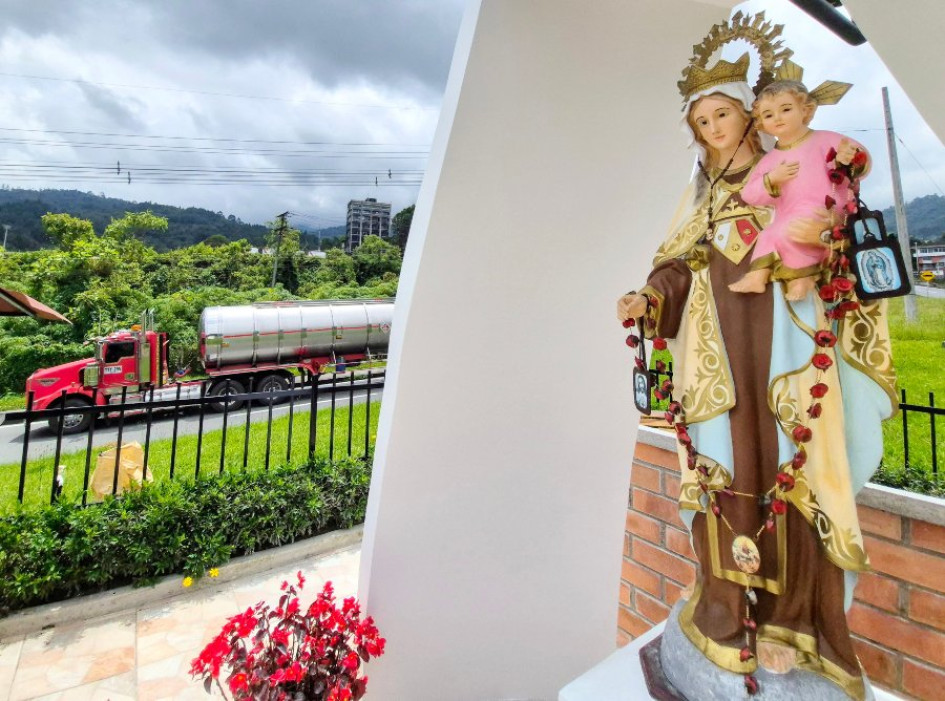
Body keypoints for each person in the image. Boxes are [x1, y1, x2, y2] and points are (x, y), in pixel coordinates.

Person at [615, 14, 896, 700]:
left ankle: (791, 623)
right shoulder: (701, 197)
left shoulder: (802, 170)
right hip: (717, 367)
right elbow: (676, 266)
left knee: (792, 471)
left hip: (788, 349)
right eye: (701, 121)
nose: (713, 129)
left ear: (752, 115)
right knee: (723, 471)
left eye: (724, 114)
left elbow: (851, 242)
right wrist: (648, 299)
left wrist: (825, 239)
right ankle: (721, 614)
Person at [729, 80, 869, 300]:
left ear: (806, 110)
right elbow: (748, 194)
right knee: (769, 235)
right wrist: (772, 179)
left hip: (824, 210)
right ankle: (757, 277)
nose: (777, 118)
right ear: (762, 124)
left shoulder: (825, 140)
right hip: (789, 214)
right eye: (768, 115)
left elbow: (861, 158)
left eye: (785, 109)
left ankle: (802, 279)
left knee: (792, 231)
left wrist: (847, 157)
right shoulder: (770, 160)